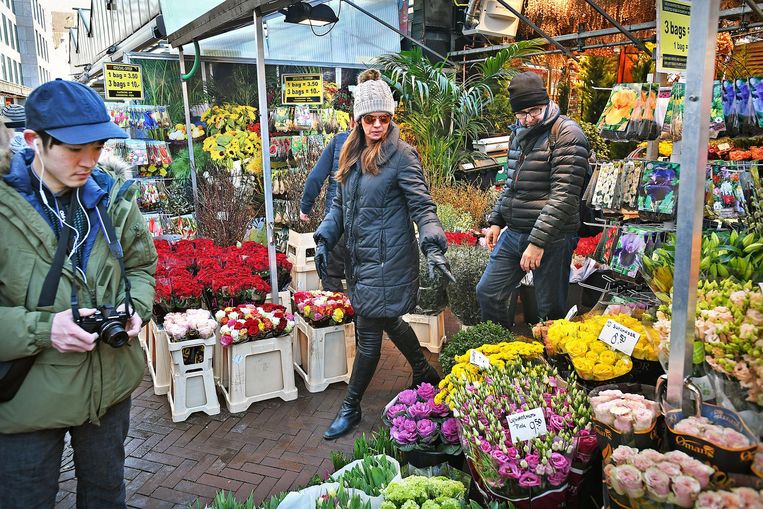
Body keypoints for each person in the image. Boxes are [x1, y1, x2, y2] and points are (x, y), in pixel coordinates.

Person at [0, 79, 157, 508]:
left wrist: (135, 307)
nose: (89, 161)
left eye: (97, 146)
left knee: (106, 494)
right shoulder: (5, 208)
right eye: (74, 149)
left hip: (109, 386)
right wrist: (46, 329)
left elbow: (142, 266)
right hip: (27, 397)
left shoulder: (112, 197)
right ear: (34, 141)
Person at [315, 69, 454, 440]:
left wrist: (433, 241)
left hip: (390, 260)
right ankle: (423, 369)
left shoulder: (402, 156)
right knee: (389, 318)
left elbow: (423, 206)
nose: (377, 125)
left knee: (370, 334)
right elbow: (339, 208)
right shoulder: (349, 153)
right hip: (360, 262)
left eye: (384, 118)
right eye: (370, 119)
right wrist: (325, 237)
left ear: (391, 118)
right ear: (358, 120)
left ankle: (351, 407)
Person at [476, 71, 589, 327]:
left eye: (535, 111)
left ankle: (552, 363)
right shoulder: (518, 132)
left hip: (553, 237)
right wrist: (496, 220)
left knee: (549, 312)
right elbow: (512, 184)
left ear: (547, 103)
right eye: (521, 114)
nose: (528, 120)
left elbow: (564, 196)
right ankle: (498, 352)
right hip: (515, 232)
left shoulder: (567, 134)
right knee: (488, 292)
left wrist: (538, 243)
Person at [299, 119, 355, 292]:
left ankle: (338, 314)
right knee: (360, 275)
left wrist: (305, 207)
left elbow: (315, 177)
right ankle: (359, 315)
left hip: (335, 222)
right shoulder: (382, 145)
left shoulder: (338, 141)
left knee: (330, 275)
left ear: (352, 120)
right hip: (365, 224)